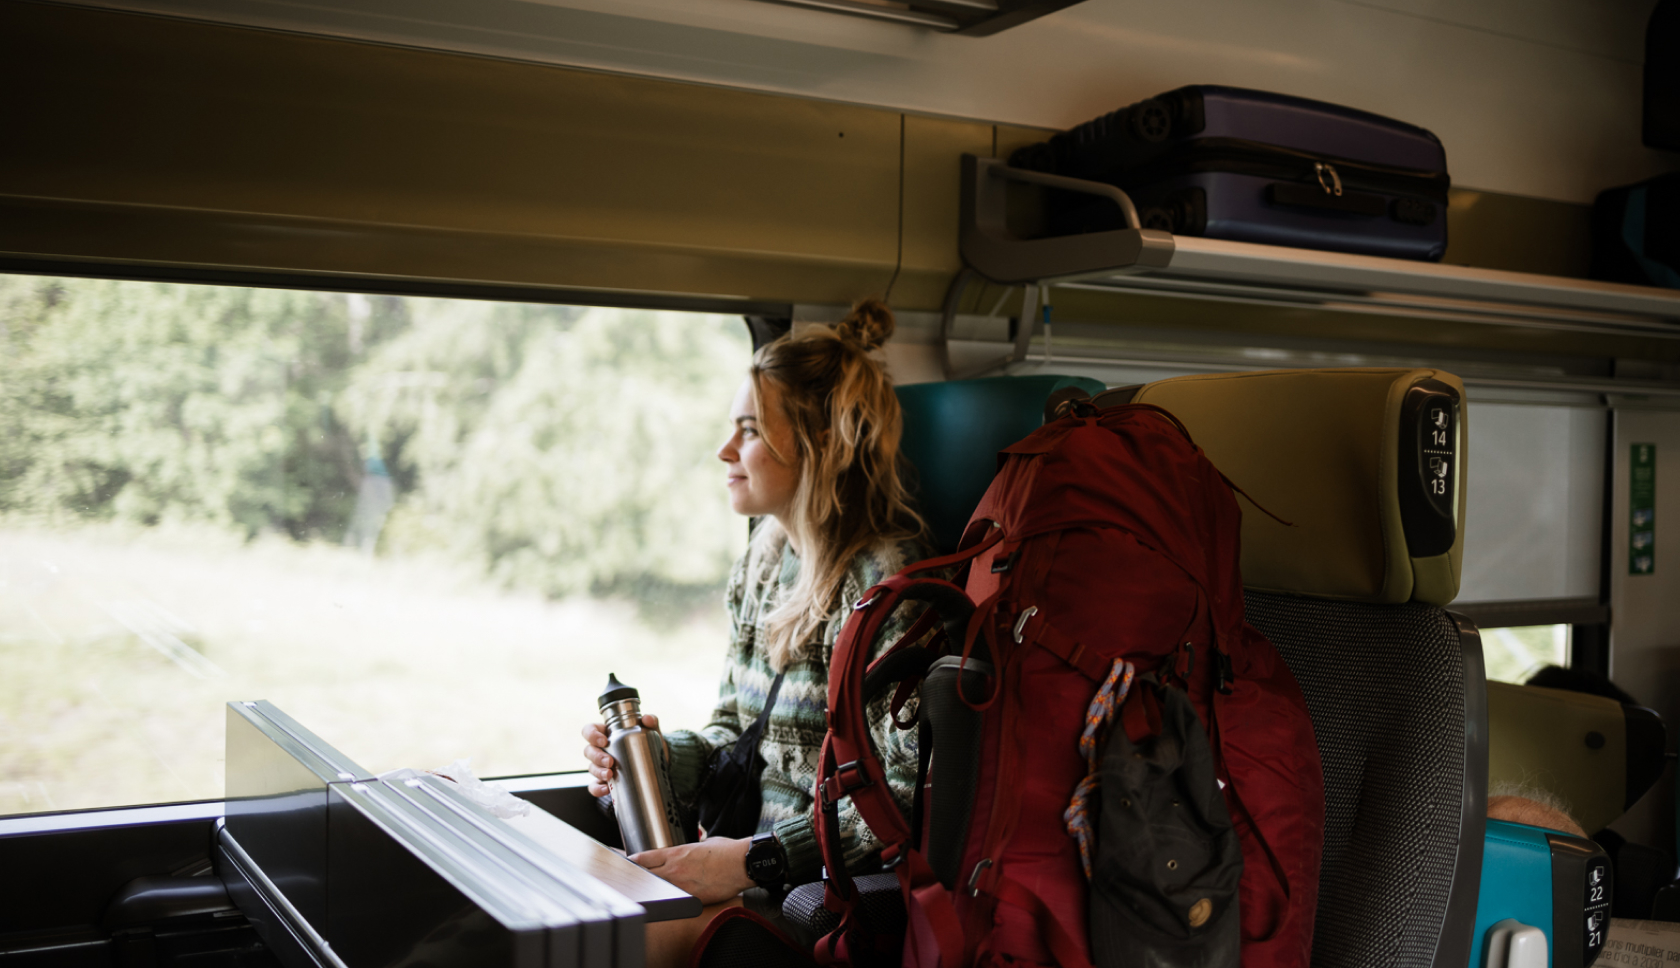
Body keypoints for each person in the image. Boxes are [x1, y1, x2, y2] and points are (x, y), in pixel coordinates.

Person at [581, 299, 931, 965]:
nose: (724, 451)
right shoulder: (763, 564)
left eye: (748, 430)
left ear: (820, 444)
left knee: (596, 942)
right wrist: (650, 760)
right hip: (741, 869)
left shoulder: (885, 585)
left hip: (806, 895)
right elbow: (732, 736)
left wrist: (751, 860)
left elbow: (903, 799)